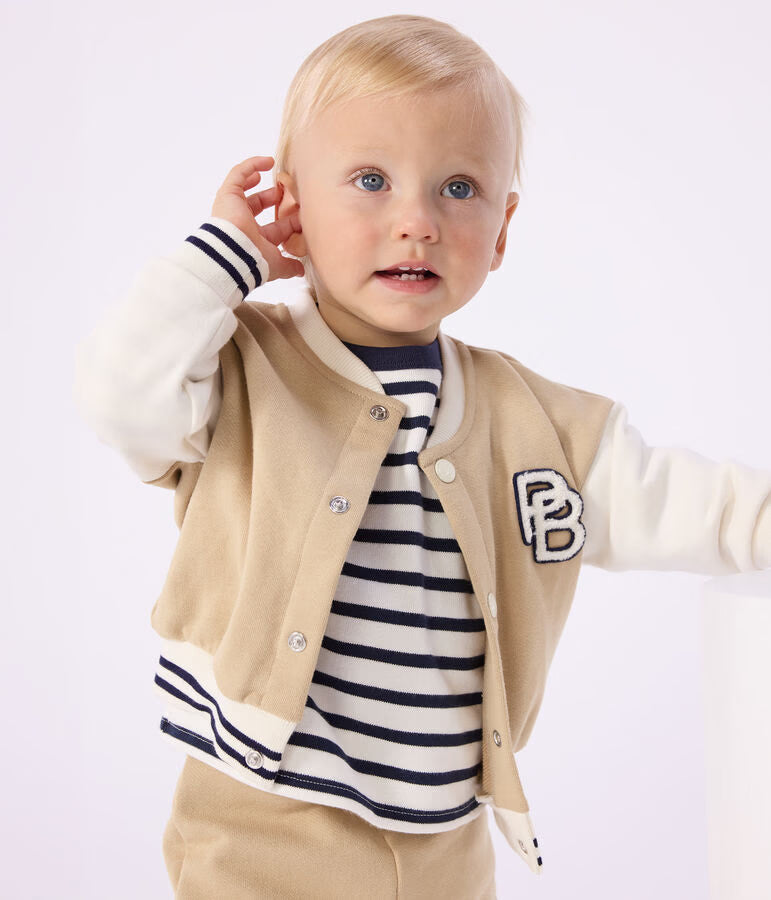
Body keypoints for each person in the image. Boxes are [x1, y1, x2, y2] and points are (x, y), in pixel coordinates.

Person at [72, 13, 771, 899]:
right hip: (263, 819)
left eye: (458, 188)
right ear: (292, 205)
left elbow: (694, 504)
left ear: (503, 228)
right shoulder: (235, 368)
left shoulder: (538, 425)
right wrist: (224, 260)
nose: (416, 221)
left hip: (445, 836)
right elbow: (119, 398)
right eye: (369, 180)